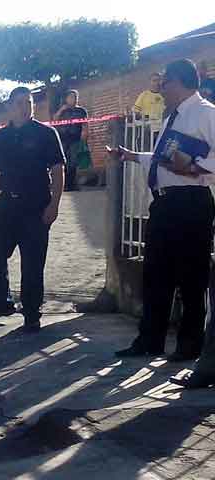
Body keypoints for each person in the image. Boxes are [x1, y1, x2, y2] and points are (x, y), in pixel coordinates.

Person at [109, 59, 215, 363]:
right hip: (164, 203)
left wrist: (193, 168)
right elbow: (161, 159)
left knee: (191, 277)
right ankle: (149, 339)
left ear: (179, 82)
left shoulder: (207, 113)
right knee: (156, 273)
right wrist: (131, 156)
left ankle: (190, 344)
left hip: (191, 202)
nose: (161, 88)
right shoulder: (173, 116)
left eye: (165, 82)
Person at [0, 87, 65, 332]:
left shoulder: (46, 134)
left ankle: (32, 313)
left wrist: (54, 205)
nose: (25, 107)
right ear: (10, 106)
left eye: (29, 102)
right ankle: (0, 303)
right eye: (20, 103)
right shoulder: (1, 137)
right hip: (7, 205)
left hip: (36, 205)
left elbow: (58, 170)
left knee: (32, 261)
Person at [54, 90, 88, 191]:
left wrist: (85, 134)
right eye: (70, 97)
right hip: (63, 139)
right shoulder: (62, 110)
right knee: (64, 161)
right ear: (66, 99)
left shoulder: (81, 111)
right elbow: (54, 120)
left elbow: (85, 124)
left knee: (73, 162)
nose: (73, 99)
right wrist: (61, 110)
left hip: (75, 139)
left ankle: (72, 184)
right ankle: (64, 185)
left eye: (75, 97)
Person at [132, 73, 166, 151]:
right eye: (154, 80)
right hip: (147, 130)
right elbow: (135, 112)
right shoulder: (144, 95)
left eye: (158, 80)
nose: (156, 83)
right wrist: (144, 117)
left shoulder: (165, 95)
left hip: (162, 129)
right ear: (150, 82)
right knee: (147, 152)